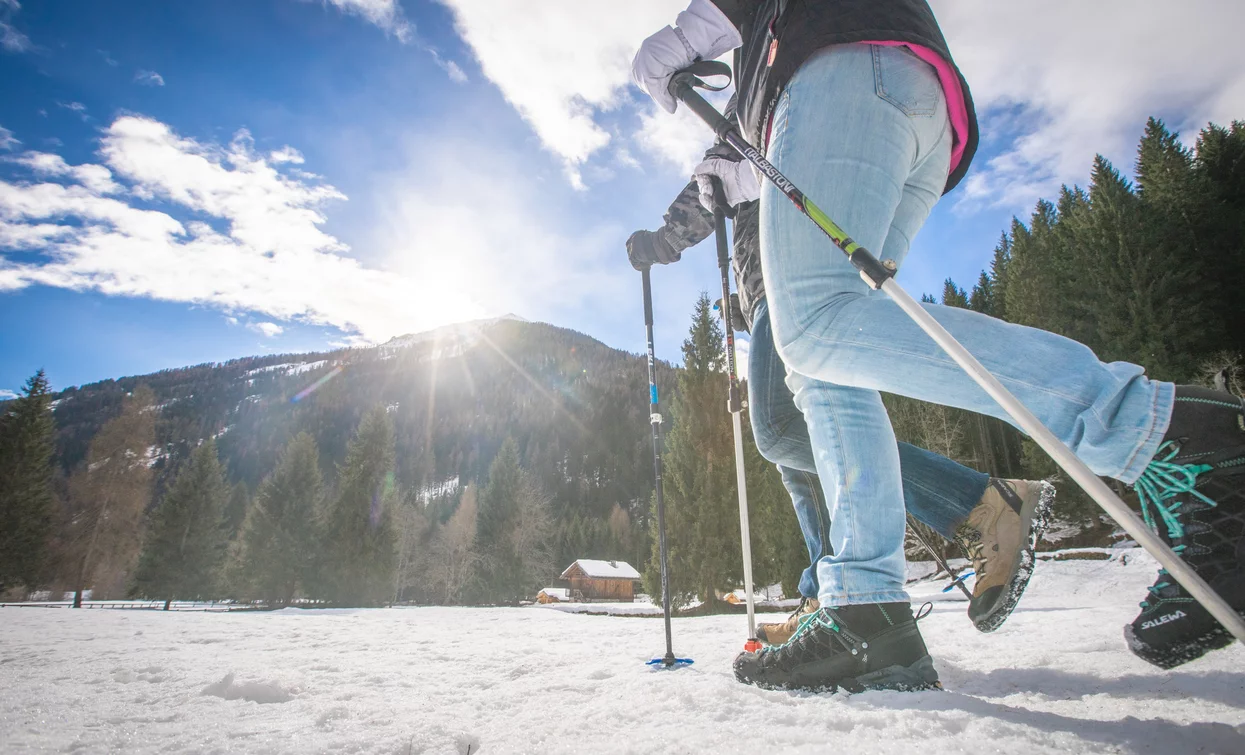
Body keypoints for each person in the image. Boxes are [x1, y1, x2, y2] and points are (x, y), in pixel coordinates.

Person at [631, 0, 1245, 691]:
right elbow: (723, 177)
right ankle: (868, 613)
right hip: (892, 95)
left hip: (843, 69)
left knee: (814, 326)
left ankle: (1160, 430)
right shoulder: (766, 80)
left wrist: (680, 40)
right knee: (826, 363)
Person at [627, 105, 1054, 644]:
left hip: (789, 287)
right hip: (773, 292)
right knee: (797, 456)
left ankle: (978, 504)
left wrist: (662, 242)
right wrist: (743, 303)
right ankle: (828, 593)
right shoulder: (781, 92)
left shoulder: (762, 101)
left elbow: (715, 182)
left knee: (782, 430)